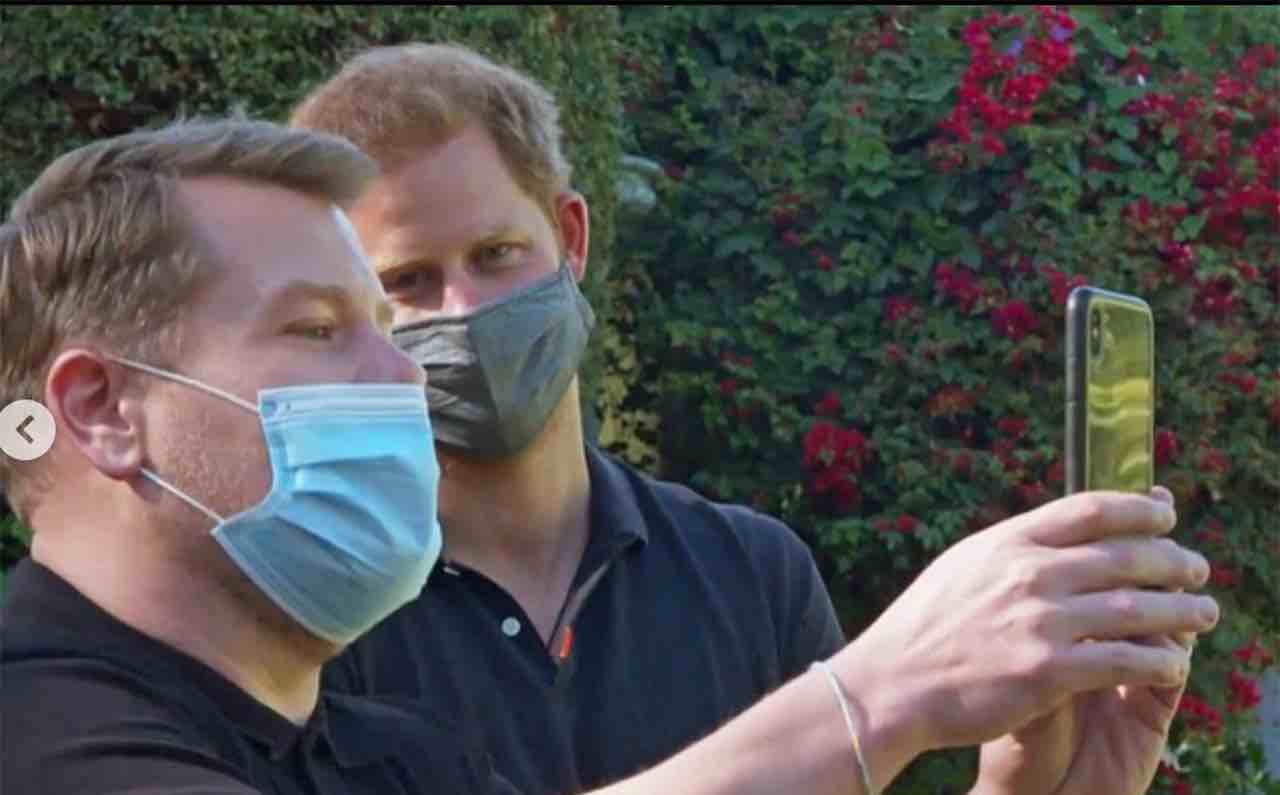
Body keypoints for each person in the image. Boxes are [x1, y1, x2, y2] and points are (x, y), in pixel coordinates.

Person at [290, 43, 1219, 795]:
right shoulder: (313, 623)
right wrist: (875, 693)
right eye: (409, 281)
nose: (465, 308)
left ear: (571, 238)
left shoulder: (751, 573)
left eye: (497, 253)